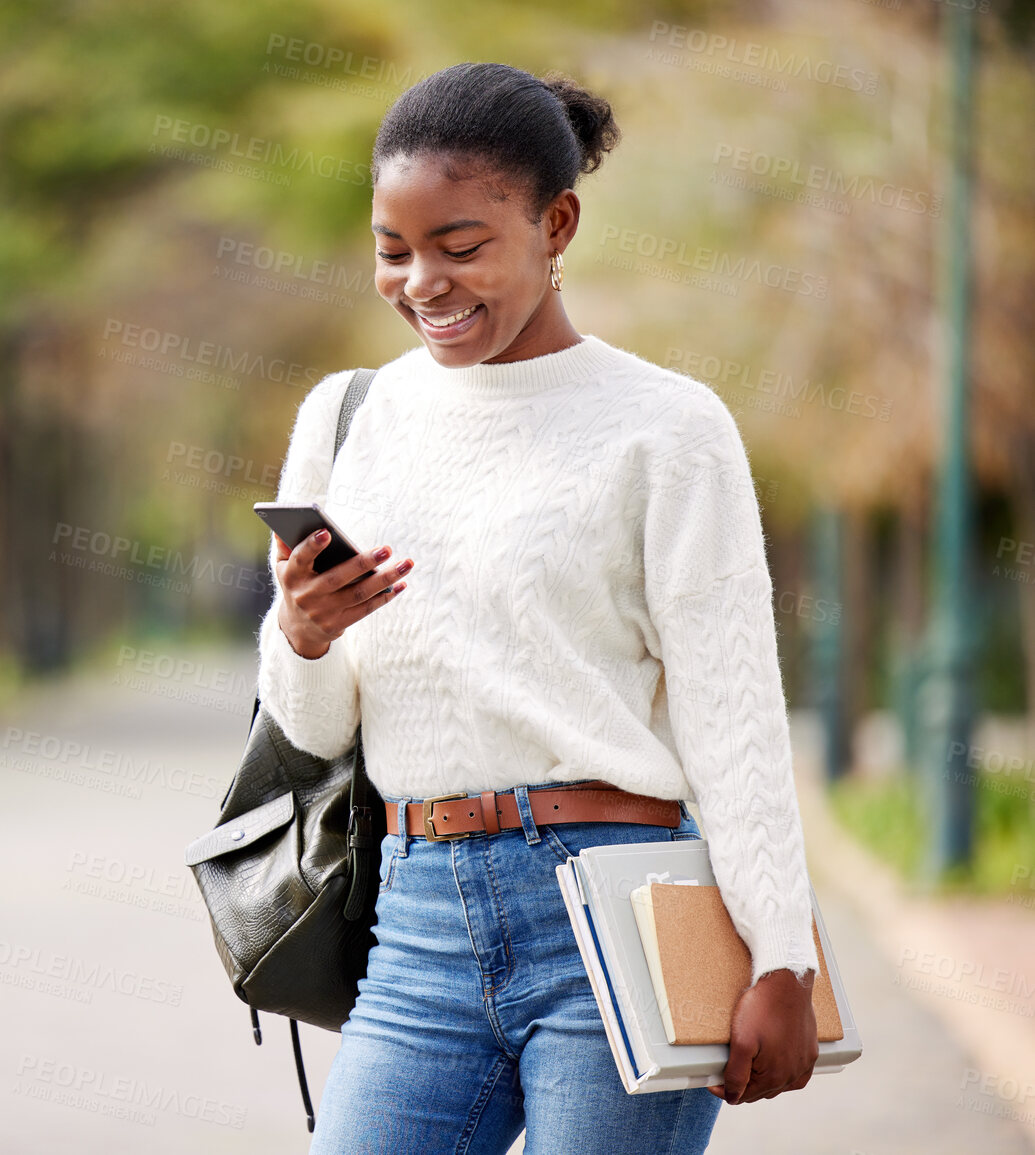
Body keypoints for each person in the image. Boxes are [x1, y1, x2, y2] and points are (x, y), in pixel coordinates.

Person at [257, 62, 821, 1154]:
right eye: (393, 250)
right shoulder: (345, 418)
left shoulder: (667, 427)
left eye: (461, 246)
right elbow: (312, 729)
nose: (424, 282)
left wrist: (784, 954)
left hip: (624, 909)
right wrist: (306, 634)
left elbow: (733, 713)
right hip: (415, 921)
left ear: (557, 222)